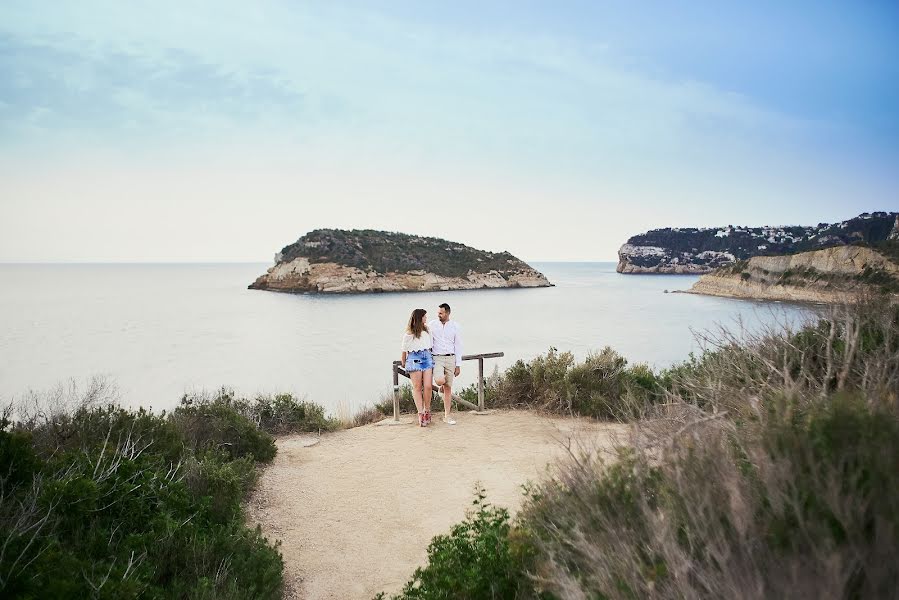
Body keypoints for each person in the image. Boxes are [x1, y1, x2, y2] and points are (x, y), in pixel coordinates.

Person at [428, 303, 462, 425]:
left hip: (451, 358)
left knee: (448, 387)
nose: (439, 315)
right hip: (437, 358)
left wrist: (458, 364)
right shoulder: (431, 325)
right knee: (439, 381)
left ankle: (447, 415)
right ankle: (439, 388)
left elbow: (458, 346)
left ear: (447, 313)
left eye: (441, 313)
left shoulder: (455, 326)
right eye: (438, 313)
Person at [401, 308, 434, 427]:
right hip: (414, 358)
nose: (426, 318)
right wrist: (404, 363)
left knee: (428, 386)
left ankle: (427, 409)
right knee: (417, 387)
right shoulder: (409, 334)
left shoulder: (427, 329)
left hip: (427, 356)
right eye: (425, 316)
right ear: (420, 318)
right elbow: (404, 351)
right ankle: (421, 413)